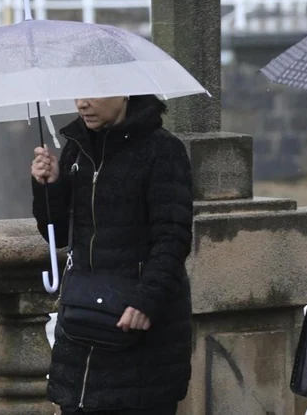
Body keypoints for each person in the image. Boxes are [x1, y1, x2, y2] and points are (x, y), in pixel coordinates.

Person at [31, 94, 193, 415]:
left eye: (91, 94)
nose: (81, 104)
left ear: (124, 92)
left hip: (136, 329)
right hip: (81, 324)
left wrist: (146, 300)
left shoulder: (161, 150)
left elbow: (172, 236)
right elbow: (58, 234)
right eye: (76, 94)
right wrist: (48, 186)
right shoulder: (77, 149)